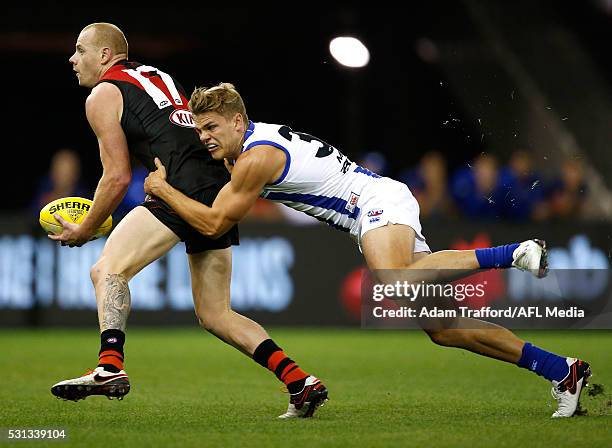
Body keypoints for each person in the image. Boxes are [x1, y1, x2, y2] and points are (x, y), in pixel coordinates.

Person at [144, 82, 591, 418]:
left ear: (239, 122)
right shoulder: (244, 148)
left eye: (211, 126)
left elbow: (216, 221)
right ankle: (560, 369)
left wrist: (161, 188)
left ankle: (513, 253)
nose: (203, 135)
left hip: (373, 203)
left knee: (393, 280)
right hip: (372, 207)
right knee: (444, 327)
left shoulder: (255, 158)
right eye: (199, 127)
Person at [48, 23, 327, 419]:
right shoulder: (154, 75)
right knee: (215, 314)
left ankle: (109, 366)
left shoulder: (102, 94)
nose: (73, 59)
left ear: (106, 55)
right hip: (216, 186)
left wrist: (86, 228)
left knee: (107, 269)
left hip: (176, 184)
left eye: (80, 50)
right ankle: (300, 381)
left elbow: (117, 176)